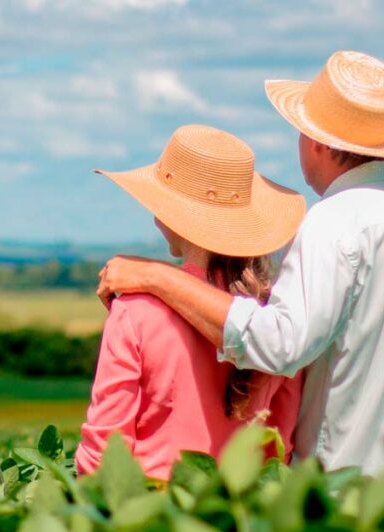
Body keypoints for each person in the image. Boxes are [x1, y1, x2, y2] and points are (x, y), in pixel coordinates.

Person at [96, 51, 384, 475]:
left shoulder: (333, 223)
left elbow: (279, 344)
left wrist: (155, 277)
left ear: (316, 142)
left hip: (347, 485)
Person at [75, 124, 306, 480]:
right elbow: (280, 448)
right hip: (239, 515)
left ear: (169, 215)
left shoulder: (134, 312)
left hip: (151, 517)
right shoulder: (279, 318)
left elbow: (105, 452)